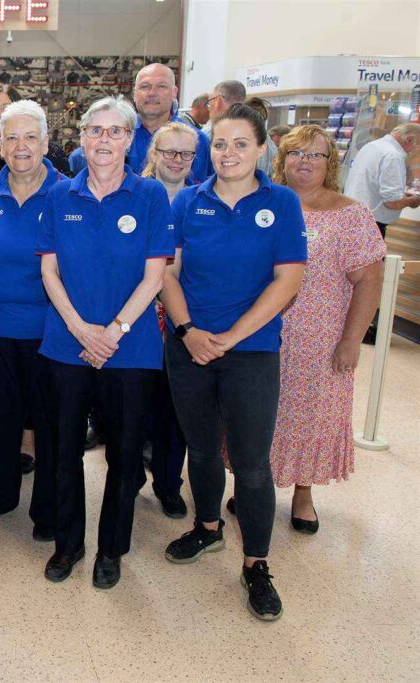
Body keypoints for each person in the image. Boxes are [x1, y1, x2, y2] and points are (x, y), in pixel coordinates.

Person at [161, 104, 307, 621]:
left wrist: (229, 338)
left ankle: (256, 563)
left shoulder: (282, 203)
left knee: (250, 462)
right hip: (189, 347)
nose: (229, 154)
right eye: (220, 144)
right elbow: (168, 273)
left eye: (241, 143)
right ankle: (206, 528)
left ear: (262, 148)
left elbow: (287, 280)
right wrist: (188, 332)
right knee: (199, 450)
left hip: (252, 352)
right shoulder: (187, 203)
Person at [37, 96, 173, 589]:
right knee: (63, 450)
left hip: (130, 350)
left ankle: (111, 549)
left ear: (131, 139)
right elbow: (49, 271)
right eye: (95, 130)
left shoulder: (152, 196)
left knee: (124, 453)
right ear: (82, 137)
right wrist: (79, 329)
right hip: (65, 345)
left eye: (116, 131)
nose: (104, 141)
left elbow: (155, 276)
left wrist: (112, 333)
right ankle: (68, 544)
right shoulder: (59, 195)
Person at [261, 125, 385, 533]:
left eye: (316, 155)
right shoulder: (267, 204)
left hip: (322, 337)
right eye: (296, 153)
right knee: (260, 412)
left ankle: (303, 492)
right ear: (282, 159)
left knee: (312, 415)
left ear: (330, 163)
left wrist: (352, 341)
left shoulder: (350, 214)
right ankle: (254, 484)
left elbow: (369, 280)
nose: (305, 162)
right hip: (262, 330)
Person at [0, 100, 63, 542]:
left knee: (50, 425)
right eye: (12, 137)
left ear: (46, 142)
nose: (21, 146)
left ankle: (48, 508)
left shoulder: (68, 194)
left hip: (53, 331)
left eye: (31, 137)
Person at [134, 121, 202, 518]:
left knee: (175, 409)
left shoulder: (200, 198)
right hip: (138, 317)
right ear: (153, 154)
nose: (176, 161)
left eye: (185, 153)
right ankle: (129, 478)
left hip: (183, 319)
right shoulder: (134, 194)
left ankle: (168, 483)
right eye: (168, 152)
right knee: (135, 406)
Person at [128, 63, 212, 182]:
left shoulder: (199, 141)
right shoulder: (119, 136)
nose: (152, 93)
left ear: (174, 93)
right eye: (145, 86)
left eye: (161, 86)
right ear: (135, 94)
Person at [344, 123, 420, 238]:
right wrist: (413, 201)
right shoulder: (393, 156)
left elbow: (373, 185)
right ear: (409, 139)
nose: (415, 151)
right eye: (418, 146)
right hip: (369, 227)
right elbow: (393, 202)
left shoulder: (372, 146)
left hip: (352, 217)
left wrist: (401, 194)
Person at [205, 81, 278, 174]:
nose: (228, 153)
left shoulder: (209, 133)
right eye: (219, 145)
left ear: (218, 101)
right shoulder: (267, 141)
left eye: (241, 145)